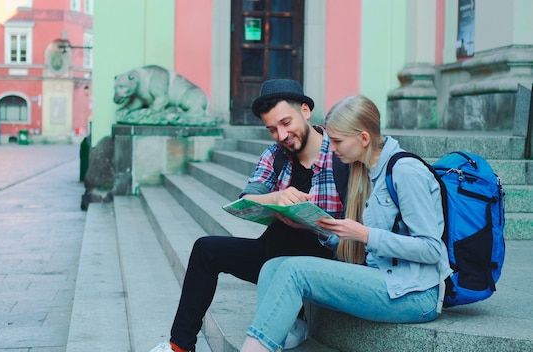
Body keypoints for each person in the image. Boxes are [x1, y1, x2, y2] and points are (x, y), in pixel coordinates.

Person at [239, 95, 453, 352]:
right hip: (382, 277)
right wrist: (317, 228)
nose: (331, 148)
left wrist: (365, 234)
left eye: (338, 141)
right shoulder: (365, 171)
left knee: (295, 270)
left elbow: (432, 249)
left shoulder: (406, 172)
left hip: (414, 294)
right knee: (273, 267)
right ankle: (276, 338)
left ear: (363, 138)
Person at [150, 79, 348, 352]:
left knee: (293, 236)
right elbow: (248, 199)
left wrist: (315, 225)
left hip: (324, 263)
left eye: (286, 123)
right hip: (275, 255)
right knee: (206, 250)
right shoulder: (276, 155)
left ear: (305, 110)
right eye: (272, 129)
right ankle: (179, 347)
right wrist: (277, 198)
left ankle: (294, 319)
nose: (281, 135)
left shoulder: (340, 154)